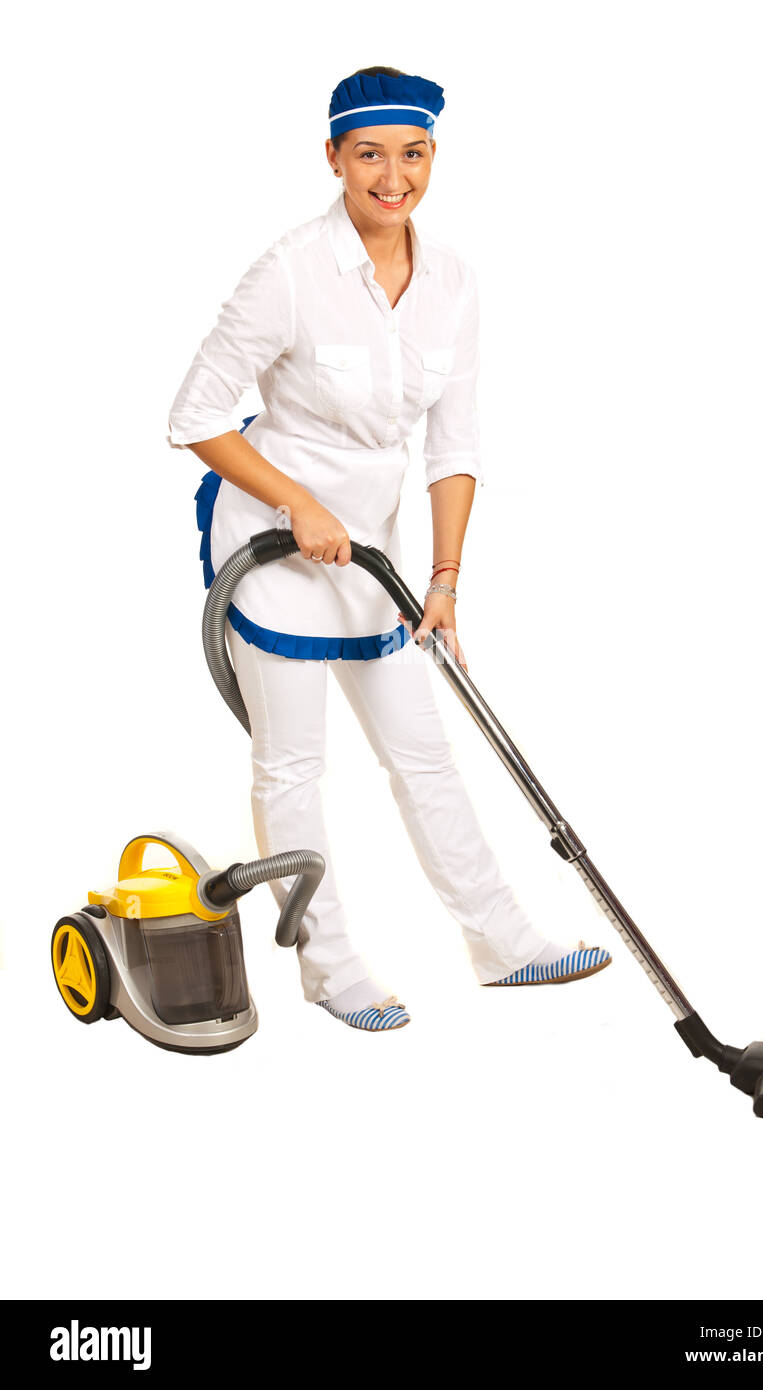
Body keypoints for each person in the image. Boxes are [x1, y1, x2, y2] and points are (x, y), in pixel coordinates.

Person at [167, 66, 612, 1032]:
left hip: (377, 557)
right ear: (333, 158)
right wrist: (296, 503)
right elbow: (195, 416)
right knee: (294, 765)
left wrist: (446, 580)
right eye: (370, 154)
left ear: (432, 159)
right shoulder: (289, 270)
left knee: (427, 754)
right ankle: (331, 969)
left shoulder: (452, 279)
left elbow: (454, 444)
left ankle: (504, 944)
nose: (392, 175)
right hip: (274, 550)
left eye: (411, 154)